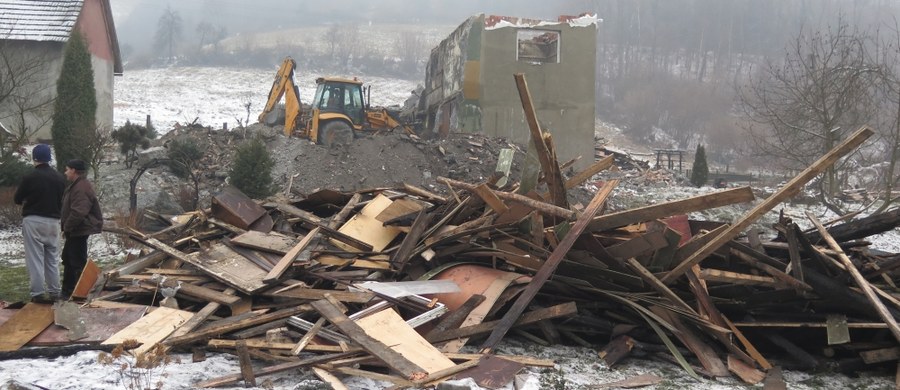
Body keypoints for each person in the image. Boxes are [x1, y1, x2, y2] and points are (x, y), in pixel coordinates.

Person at [14, 144, 66, 304]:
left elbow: (17, 199)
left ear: (34, 158)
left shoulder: (30, 177)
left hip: (34, 220)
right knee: (52, 258)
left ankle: (37, 293)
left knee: (35, 258)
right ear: (49, 158)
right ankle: (55, 291)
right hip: (53, 222)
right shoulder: (59, 178)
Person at [60, 159, 103, 300]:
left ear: (73, 170)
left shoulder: (81, 188)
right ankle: (70, 291)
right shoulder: (78, 185)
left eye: (67, 169)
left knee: (76, 261)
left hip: (79, 229)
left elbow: (78, 212)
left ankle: (81, 292)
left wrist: (67, 227)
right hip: (76, 229)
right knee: (69, 258)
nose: (65, 172)